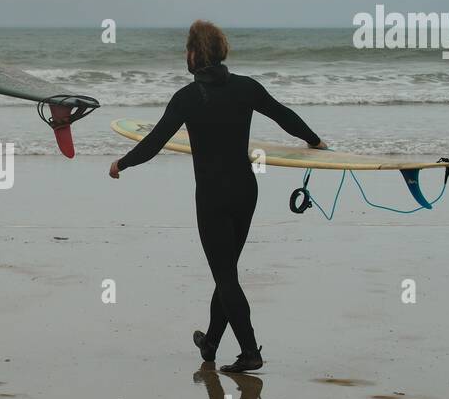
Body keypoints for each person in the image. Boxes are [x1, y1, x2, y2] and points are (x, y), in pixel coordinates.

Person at [109, 21, 325, 372]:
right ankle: (210, 343)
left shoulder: (187, 98)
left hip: (212, 196)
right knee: (227, 272)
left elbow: (154, 142)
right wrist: (314, 141)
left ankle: (250, 352)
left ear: (195, 53)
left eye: (187, 48)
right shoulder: (246, 88)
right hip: (245, 191)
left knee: (225, 276)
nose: (185, 53)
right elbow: (284, 116)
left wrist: (122, 163)